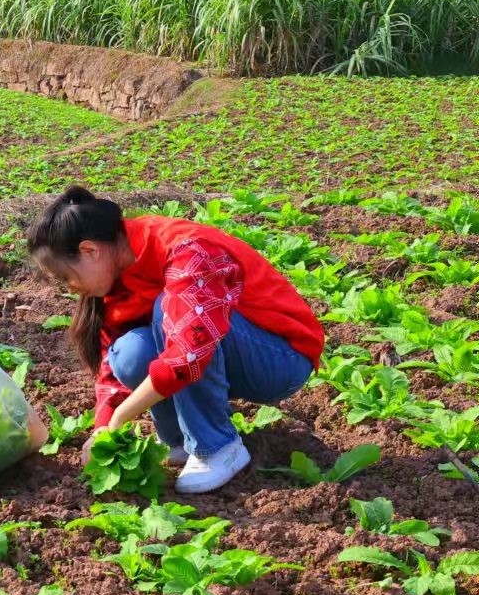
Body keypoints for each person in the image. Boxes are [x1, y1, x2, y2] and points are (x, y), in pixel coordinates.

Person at [27, 187, 323, 495]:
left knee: (168, 311)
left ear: (89, 250)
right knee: (129, 351)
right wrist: (102, 426)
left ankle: (217, 447)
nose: (70, 288)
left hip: (281, 359)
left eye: (66, 277)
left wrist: (121, 417)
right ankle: (178, 440)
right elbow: (112, 365)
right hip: (226, 352)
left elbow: (188, 355)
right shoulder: (117, 273)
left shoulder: (186, 250)